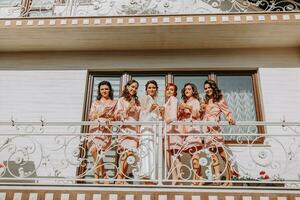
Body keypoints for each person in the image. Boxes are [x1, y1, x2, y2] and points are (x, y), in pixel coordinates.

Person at [201, 79, 236, 185]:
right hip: (207, 129)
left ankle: (230, 178)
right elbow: (203, 115)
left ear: (213, 87)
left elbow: (226, 110)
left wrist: (230, 117)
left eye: (209, 87)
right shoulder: (206, 100)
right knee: (212, 154)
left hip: (215, 129)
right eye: (205, 88)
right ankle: (217, 178)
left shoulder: (219, 98)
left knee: (222, 153)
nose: (207, 90)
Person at [88, 81, 116, 184]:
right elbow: (91, 116)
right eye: (102, 89)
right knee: (93, 150)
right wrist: (101, 113)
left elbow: (115, 116)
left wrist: (110, 118)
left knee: (98, 151)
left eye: (106, 89)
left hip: (105, 130)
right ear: (99, 91)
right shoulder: (95, 103)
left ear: (110, 90)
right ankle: (104, 175)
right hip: (94, 129)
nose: (104, 91)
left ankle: (97, 176)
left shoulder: (114, 103)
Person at [114, 80, 141, 184]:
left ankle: (121, 178)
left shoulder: (137, 101)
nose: (133, 89)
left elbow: (139, 116)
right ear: (127, 87)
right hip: (125, 129)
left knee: (130, 153)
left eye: (135, 88)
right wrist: (128, 108)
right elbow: (117, 116)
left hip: (134, 130)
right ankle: (120, 179)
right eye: (132, 87)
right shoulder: (121, 100)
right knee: (125, 153)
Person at [178, 83, 203, 185]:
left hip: (193, 130)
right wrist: (180, 109)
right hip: (186, 131)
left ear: (193, 91)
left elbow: (197, 114)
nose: (187, 90)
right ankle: (199, 178)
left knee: (195, 154)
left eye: (189, 89)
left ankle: (196, 179)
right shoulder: (184, 102)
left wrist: (187, 107)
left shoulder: (196, 101)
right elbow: (180, 117)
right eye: (185, 89)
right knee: (193, 154)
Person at [161, 83, 183, 185]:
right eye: (168, 90)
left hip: (173, 130)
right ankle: (177, 177)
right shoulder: (167, 102)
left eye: (172, 90)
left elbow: (174, 117)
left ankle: (177, 177)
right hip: (168, 130)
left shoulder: (173, 99)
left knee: (174, 155)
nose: (169, 91)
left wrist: (165, 120)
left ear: (175, 92)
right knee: (171, 155)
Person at [139, 80, 160, 183]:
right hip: (146, 129)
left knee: (153, 151)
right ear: (146, 89)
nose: (151, 89)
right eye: (149, 87)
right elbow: (142, 117)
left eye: (153, 87)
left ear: (156, 89)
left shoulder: (155, 101)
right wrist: (150, 110)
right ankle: (146, 175)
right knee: (147, 151)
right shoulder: (145, 98)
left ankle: (152, 176)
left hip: (154, 130)